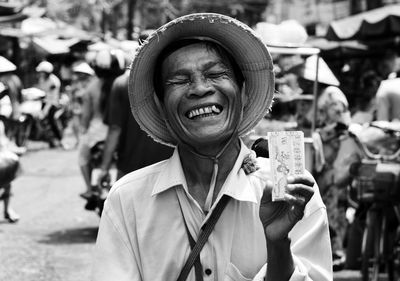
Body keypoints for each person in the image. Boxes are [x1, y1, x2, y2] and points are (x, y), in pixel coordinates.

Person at [92, 13, 332, 281]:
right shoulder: (128, 200)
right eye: (179, 80)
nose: (199, 88)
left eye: (216, 74)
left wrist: (278, 246)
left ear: (242, 92)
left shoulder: (291, 193)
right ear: (161, 106)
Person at [97, 69, 173, 182]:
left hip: (131, 168)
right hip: (170, 166)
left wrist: (104, 168)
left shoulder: (121, 83)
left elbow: (114, 129)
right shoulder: (170, 78)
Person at [78, 49, 125, 199]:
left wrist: (83, 131)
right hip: (122, 133)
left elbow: (86, 116)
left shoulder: (91, 87)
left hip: (96, 132)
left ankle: (89, 189)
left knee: (82, 157)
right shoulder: (125, 84)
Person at [35, 60, 64, 147]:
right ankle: (51, 141)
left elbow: (51, 97)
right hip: (44, 102)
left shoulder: (53, 81)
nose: (40, 74)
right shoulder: (42, 79)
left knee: (52, 122)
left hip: (52, 104)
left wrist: (46, 109)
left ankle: (60, 140)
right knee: (44, 123)